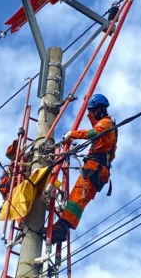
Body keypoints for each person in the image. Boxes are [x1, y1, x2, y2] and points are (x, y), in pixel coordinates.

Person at [51, 94, 118, 244]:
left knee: (77, 197)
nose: (92, 114)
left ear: (100, 109)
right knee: (79, 201)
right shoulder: (109, 127)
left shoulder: (106, 124)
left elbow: (92, 133)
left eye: (93, 111)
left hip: (95, 168)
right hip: (99, 170)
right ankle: (63, 227)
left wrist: (72, 135)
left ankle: (61, 228)